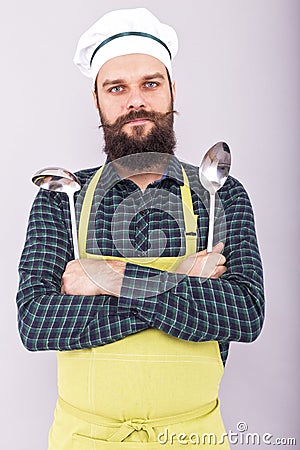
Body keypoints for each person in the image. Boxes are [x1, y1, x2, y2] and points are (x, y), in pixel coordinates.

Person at [16, 8, 264, 449]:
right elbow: (36, 323)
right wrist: (182, 282)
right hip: (84, 439)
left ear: (172, 91)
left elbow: (244, 313)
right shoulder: (62, 197)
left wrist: (107, 277)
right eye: (117, 88)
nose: (136, 101)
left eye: (151, 83)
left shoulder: (220, 193)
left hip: (194, 438)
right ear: (97, 99)